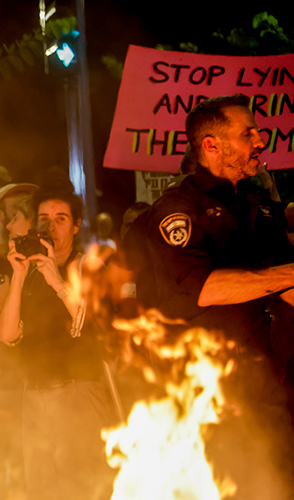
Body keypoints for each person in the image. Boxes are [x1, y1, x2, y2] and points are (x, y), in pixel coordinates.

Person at [137, 94, 294, 498]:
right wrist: (283, 274)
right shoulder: (178, 210)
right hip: (209, 400)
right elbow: (203, 289)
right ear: (211, 145)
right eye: (249, 134)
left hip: (270, 389)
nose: (261, 140)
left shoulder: (262, 209)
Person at [0, 180, 114, 500]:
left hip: (78, 393)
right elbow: (7, 335)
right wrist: (19, 277)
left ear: (76, 226)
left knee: (83, 489)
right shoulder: (31, 273)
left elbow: (93, 327)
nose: (51, 226)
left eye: (61, 218)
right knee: (42, 490)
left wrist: (57, 281)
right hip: (36, 397)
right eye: (44, 219)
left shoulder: (89, 267)